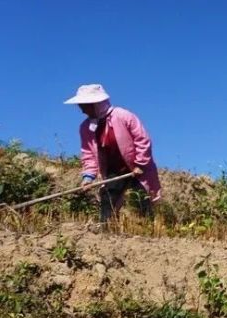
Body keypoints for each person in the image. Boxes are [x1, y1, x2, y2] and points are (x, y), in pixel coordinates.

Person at [65, 84, 162, 223]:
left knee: (141, 197)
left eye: (85, 106)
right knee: (108, 197)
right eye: (81, 106)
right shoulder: (86, 128)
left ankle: (147, 227)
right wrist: (88, 176)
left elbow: (142, 139)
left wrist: (140, 163)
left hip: (136, 166)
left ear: (96, 104)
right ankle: (106, 228)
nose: (82, 111)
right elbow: (88, 153)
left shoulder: (123, 116)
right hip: (113, 170)